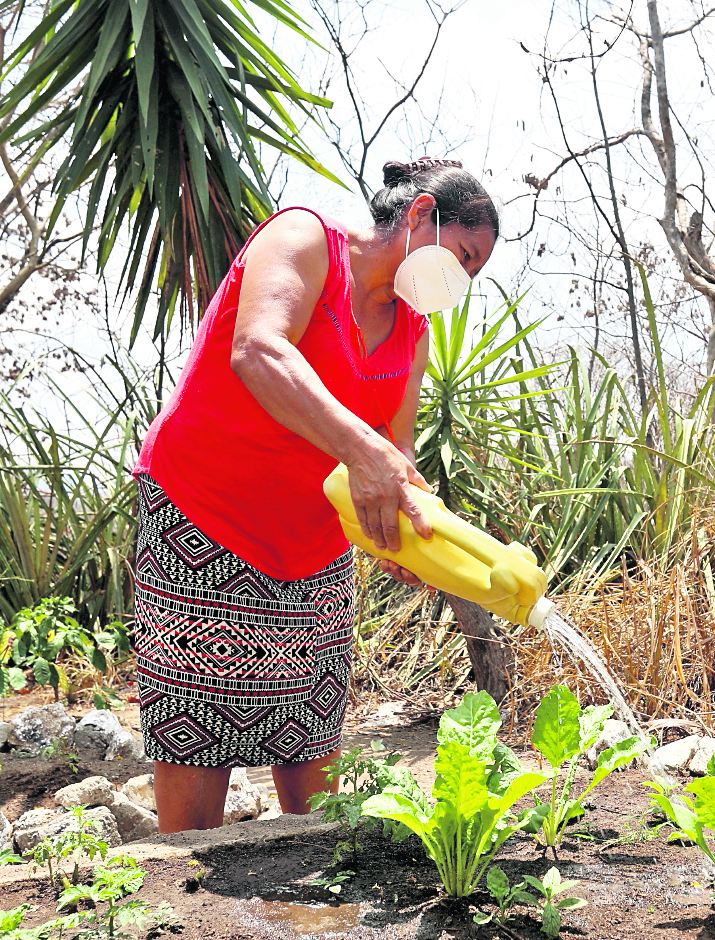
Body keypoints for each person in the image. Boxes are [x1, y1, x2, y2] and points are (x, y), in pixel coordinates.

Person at [132, 158, 498, 832]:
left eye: (473, 274)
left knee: (310, 749)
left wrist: (409, 534)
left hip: (314, 550)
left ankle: (319, 893)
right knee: (196, 734)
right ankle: (186, 891)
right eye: (463, 256)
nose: (461, 280)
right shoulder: (305, 241)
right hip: (204, 519)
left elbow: (396, 448)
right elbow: (258, 350)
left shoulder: (413, 332)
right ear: (421, 214)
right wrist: (363, 452)